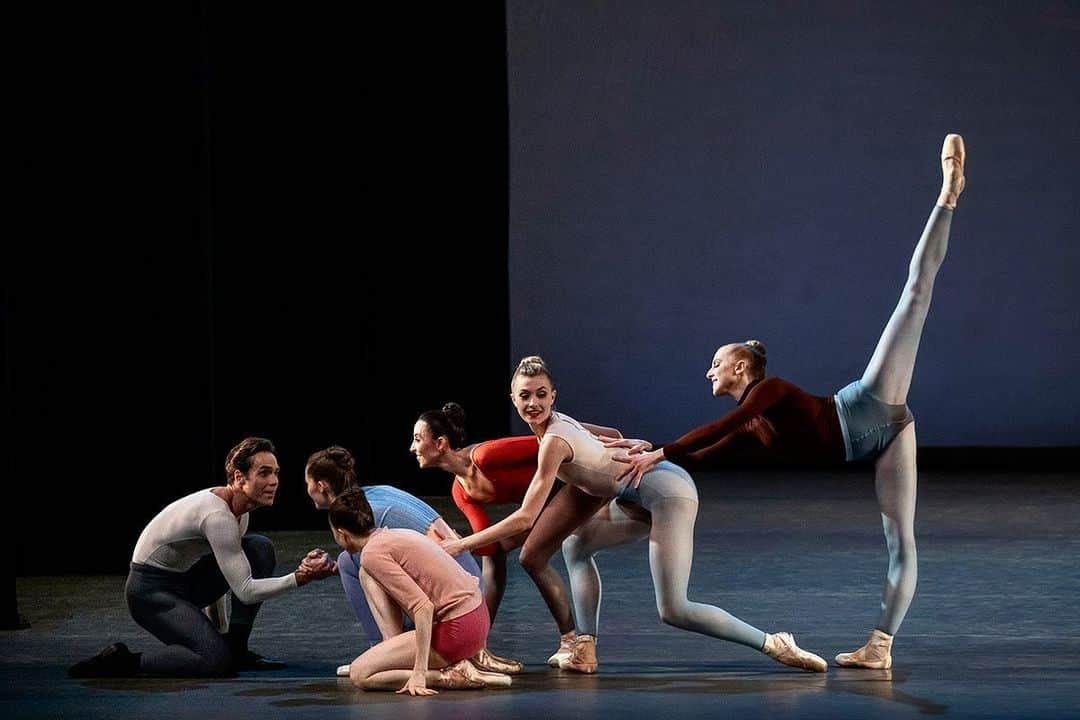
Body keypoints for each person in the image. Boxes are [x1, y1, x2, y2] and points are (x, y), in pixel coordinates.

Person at [611, 134, 967, 669]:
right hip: (885, 440)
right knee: (900, 538)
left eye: (717, 361)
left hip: (867, 407)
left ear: (740, 368)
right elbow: (705, 454)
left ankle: (948, 194)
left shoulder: (767, 394)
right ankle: (881, 649)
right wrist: (641, 485)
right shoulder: (749, 420)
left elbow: (703, 438)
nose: (708, 369)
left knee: (914, 296)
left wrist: (657, 453)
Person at [440, 356, 827, 675]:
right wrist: (622, 443)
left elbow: (526, 518)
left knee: (674, 609)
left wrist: (460, 544)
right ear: (513, 399)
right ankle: (584, 648)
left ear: (553, 396)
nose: (533, 403)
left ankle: (774, 643)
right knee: (577, 542)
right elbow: (608, 431)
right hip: (632, 494)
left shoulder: (553, 441)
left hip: (669, 492)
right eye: (525, 396)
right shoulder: (555, 428)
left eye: (542, 395)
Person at [68, 437, 334, 678]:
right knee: (213, 661)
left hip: (184, 581)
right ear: (239, 478)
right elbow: (245, 591)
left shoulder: (240, 510)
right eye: (264, 473)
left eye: (276, 473)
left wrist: (221, 634)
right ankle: (121, 661)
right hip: (149, 593)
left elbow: (221, 568)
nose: (274, 481)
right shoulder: (218, 517)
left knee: (259, 548)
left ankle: (237, 649)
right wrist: (301, 576)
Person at [301, 445, 521, 675]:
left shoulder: (368, 513)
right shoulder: (373, 495)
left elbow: (401, 570)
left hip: (455, 607)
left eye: (307, 482)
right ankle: (395, 650)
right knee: (352, 562)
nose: (306, 489)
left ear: (321, 485)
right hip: (470, 597)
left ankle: (384, 651)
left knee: (351, 562)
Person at [411, 403, 586, 665]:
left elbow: (560, 439)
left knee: (532, 558)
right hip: (545, 505)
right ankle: (478, 646)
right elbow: (488, 550)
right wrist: (476, 641)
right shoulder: (461, 492)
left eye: (417, 439)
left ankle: (572, 642)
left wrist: (607, 440)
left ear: (441, 443)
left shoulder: (487, 456)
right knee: (495, 555)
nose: (412, 448)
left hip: (576, 485)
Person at [329, 489, 513, 695]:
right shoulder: (394, 535)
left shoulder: (373, 553)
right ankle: (394, 654)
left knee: (360, 673)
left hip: (458, 631)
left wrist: (419, 672)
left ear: (341, 533)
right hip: (477, 620)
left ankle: (450, 675)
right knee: (367, 574)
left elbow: (423, 607)